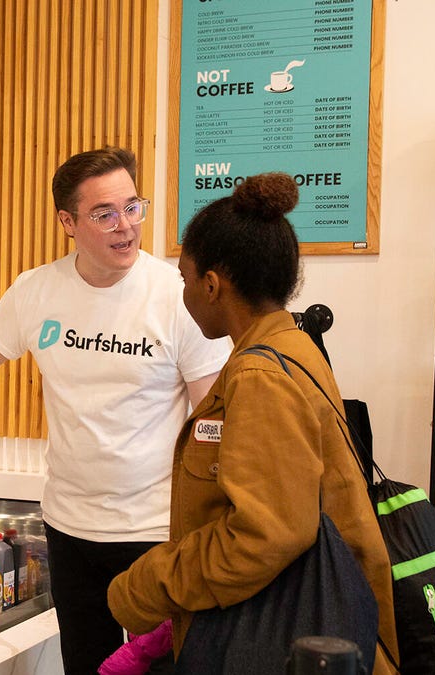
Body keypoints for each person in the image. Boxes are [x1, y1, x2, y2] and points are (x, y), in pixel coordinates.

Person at [0, 147, 231, 673]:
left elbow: (211, 417)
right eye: (105, 214)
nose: (126, 227)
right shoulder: (37, 291)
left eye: (132, 207)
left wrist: (211, 519)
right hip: (69, 528)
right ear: (67, 222)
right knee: (86, 665)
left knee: (169, 667)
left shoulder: (176, 295)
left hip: (156, 528)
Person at [106, 173, 400, 672]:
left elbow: (268, 534)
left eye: (185, 280)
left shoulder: (260, 375)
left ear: (212, 285)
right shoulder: (292, 347)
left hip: (281, 643)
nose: (184, 294)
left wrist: (147, 585)